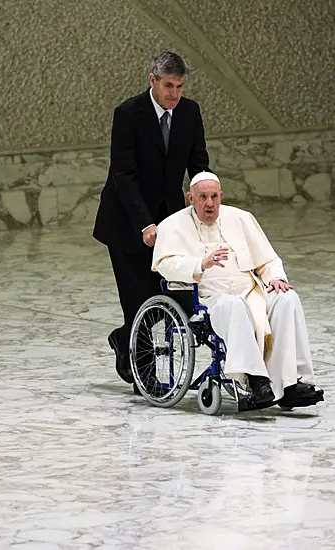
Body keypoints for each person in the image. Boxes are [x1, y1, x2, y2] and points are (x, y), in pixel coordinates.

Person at [151, 171, 325, 408]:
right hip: (209, 298)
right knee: (233, 305)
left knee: (287, 298)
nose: (209, 204)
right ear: (190, 198)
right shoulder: (172, 225)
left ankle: (291, 383)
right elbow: (165, 265)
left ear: (221, 196)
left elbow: (268, 259)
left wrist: (275, 277)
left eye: (214, 197)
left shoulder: (241, 218)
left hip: (251, 292)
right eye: (203, 197)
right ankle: (256, 380)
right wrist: (200, 264)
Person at [93, 51, 210, 385]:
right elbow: (124, 175)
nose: (174, 94)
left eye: (180, 86)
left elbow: (198, 162)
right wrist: (145, 224)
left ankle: (123, 338)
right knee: (138, 298)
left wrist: (207, 198)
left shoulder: (190, 112)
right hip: (126, 222)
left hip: (169, 218)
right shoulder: (128, 114)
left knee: (168, 293)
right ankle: (146, 378)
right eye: (169, 86)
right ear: (153, 81)